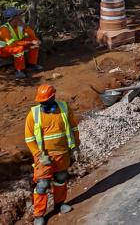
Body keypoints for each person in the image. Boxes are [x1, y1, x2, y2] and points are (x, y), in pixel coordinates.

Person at [24, 85, 79, 225]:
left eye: (45, 101)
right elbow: (29, 138)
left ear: (53, 97)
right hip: (44, 157)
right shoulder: (34, 114)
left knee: (60, 179)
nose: (42, 104)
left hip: (62, 153)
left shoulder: (64, 108)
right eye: (40, 101)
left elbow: (73, 128)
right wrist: (38, 155)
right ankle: (39, 215)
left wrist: (75, 146)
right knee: (42, 185)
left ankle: (59, 204)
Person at [1, 7, 41, 79]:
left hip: (15, 45)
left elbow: (32, 36)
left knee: (35, 41)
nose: (21, 16)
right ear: (14, 18)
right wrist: (30, 42)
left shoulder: (20, 25)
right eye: (19, 15)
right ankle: (19, 70)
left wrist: (26, 27)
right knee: (19, 49)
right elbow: (12, 44)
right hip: (3, 50)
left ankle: (32, 64)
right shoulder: (4, 29)